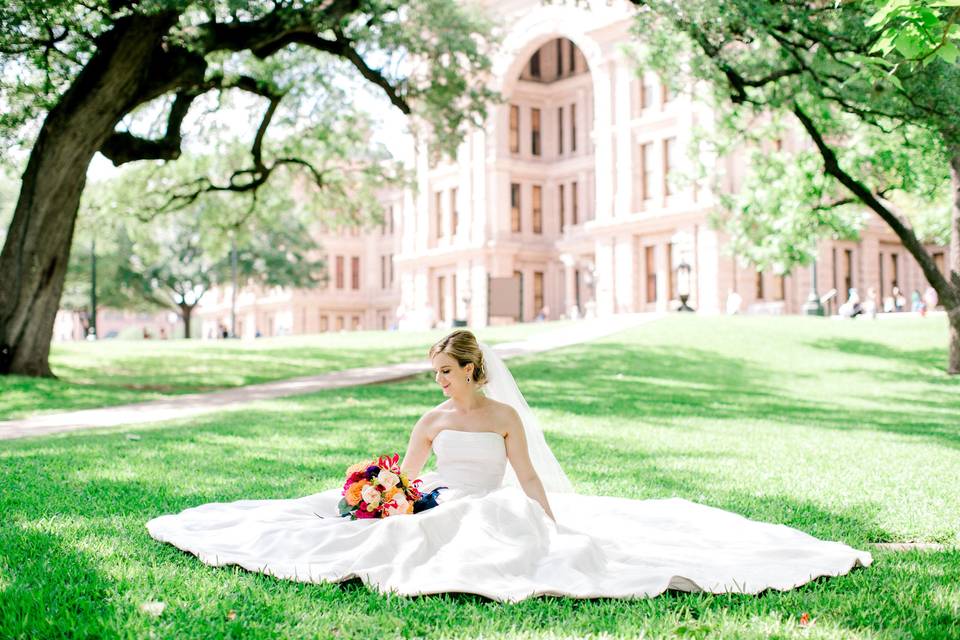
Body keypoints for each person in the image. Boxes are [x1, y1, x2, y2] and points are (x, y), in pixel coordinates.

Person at [146, 330, 871, 602]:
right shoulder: (430, 418)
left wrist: (551, 520)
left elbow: (525, 477)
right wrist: (387, 494)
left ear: (473, 370)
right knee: (406, 530)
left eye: (448, 373)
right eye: (435, 374)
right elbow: (409, 474)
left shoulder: (502, 418)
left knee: (494, 524)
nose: (440, 384)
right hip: (438, 499)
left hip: (491, 500)